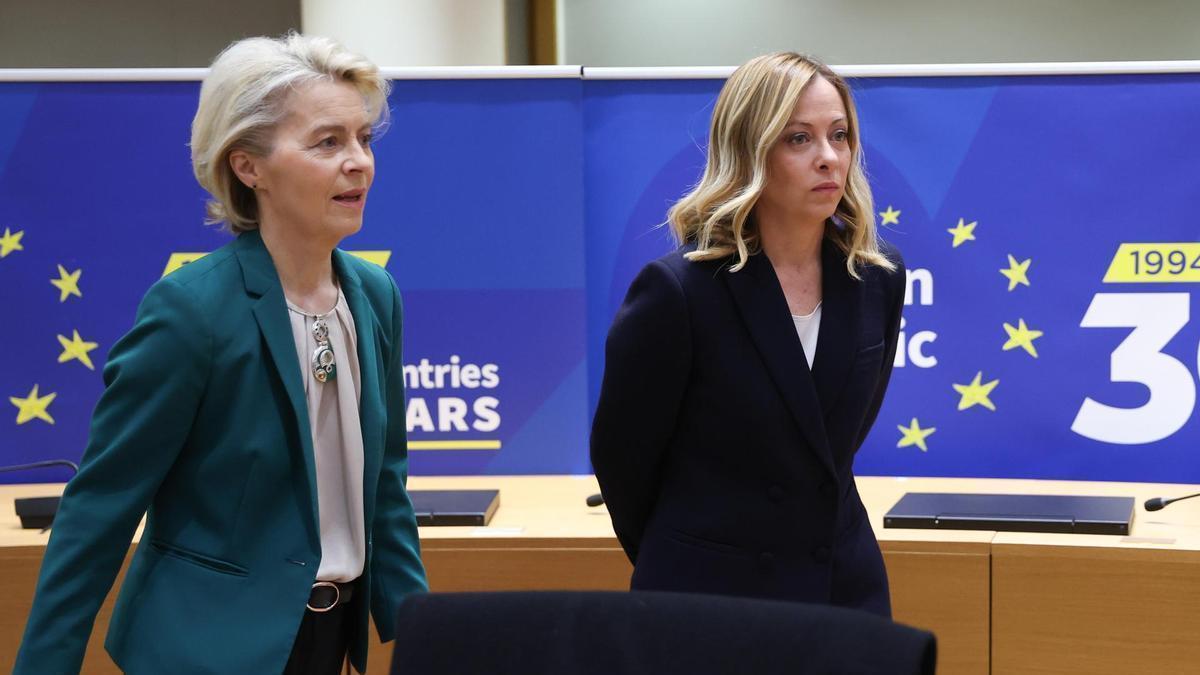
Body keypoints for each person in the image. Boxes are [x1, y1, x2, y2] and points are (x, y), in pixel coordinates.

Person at [14, 33, 427, 674]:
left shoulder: (375, 294)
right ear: (248, 167)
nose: (359, 163)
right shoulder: (192, 310)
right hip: (205, 650)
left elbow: (385, 484)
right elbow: (101, 504)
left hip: (330, 642)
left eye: (364, 139)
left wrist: (417, 631)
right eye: (327, 142)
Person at [591, 52, 905, 618]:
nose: (829, 158)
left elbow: (834, 445)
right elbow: (623, 464)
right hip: (709, 602)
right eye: (799, 139)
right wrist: (689, 559)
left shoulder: (877, 276)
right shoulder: (679, 291)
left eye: (840, 135)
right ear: (750, 150)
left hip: (843, 592)